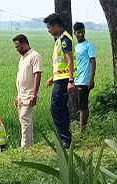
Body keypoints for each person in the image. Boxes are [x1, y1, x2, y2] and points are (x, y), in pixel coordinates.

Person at [45, 13, 77, 149]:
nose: (48, 30)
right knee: (61, 108)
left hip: (65, 80)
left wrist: (71, 81)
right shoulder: (59, 39)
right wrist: (53, 77)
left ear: (56, 26)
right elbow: (61, 63)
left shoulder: (64, 39)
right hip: (60, 78)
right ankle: (65, 138)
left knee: (56, 107)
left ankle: (65, 139)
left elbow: (69, 60)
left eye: (49, 27)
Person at [14, 34, 44, 148]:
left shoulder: (34, 56)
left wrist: (34, 95)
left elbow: (37, 75)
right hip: (21, 94)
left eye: (18, 46)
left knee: (25, 119)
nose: (16, 49)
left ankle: (25, 147)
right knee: (24, 120)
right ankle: (29, 144)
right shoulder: (22, 58)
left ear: (24, 44)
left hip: (29, 94)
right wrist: (18, 96)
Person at [73, 23, 97, 133]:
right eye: (78, 33)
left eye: (82, 32)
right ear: (75, 33)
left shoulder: (89, 46)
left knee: (83, 106)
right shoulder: (76, 47)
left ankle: (83, 131)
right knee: (79, 105)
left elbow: (93, 62)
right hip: (77, 79)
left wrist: (91, 79)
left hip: (84, 80)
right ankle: (81, 128)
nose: (81, 34)